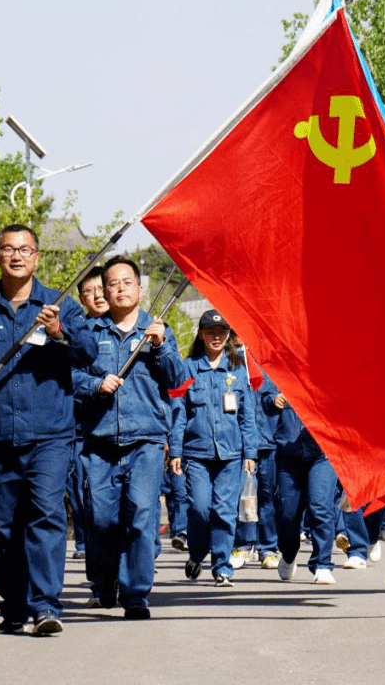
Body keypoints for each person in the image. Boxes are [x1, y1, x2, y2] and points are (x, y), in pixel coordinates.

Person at [0, 224, 97, 635]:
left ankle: (46, 606)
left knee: (45, 515)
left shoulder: (60, 306)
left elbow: (88, 354)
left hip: (51, 435)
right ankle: (14, 605)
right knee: (6, 528)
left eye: (25, 249)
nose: (17, 256)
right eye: (8, 249)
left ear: (37, 257)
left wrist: (60, 332)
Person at [73, 255, 185, 620]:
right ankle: (105, 582)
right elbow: (68, 378)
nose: (120, 288)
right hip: (99, 441)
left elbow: (175, 379)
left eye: (127, 282)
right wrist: (94, 384)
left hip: (146, 441)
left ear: (140, 288)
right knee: (101, 521)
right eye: (112, 283)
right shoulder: (89, 334)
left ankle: (136, 594)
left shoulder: (155, 331)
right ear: (103, 291)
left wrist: (162, 345)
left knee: (141, 517)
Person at [169, 310, 258, 587]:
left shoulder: (237, 369)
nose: (216, 337)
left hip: (231, 455)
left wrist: (250, 453)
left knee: (224, 510)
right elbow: (179, 413)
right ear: (201, 334)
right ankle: (197, 553)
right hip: (196, 454)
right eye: (210, 332)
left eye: (221, 332)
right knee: (198, 508)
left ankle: (222, 566)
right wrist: (175, 450)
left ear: (229, 335)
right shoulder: (188, 368)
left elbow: (247, 415)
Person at [268, 385, 339, 585]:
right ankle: (289, 554)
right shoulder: (280, 365)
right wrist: (273, 399)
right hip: (288, 454)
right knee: (287, 514)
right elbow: (262, 394)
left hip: (323, 453)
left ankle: (322, 564)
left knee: (320, 507)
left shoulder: (330, 368)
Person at [69, 268, 108, 566]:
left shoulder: (134, 327)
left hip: (124, 431)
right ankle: (87, 545)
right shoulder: (75, 333)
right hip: (80, 430)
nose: (97, 296)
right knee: (86, 496)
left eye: (101, 288)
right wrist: (94, 386)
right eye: (89, 292)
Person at [230, 350, 280, 571]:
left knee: (268, 498)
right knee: (244, 496)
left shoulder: (271, 362)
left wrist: (275, 399)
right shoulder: (231, 362)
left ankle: (268, 548)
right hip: (240, 444)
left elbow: (274, 394)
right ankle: (241, 545)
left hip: (269, 442)